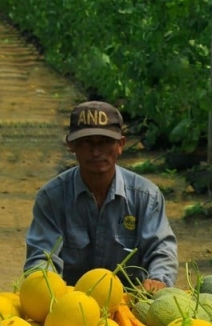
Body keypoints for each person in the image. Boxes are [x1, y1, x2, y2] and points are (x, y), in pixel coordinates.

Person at [23, 101, 178, 291]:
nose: (96, 152)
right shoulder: (51, 198)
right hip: (68, 302)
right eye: (86, 142)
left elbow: (161, 250)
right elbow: (42, 256)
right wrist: (45, 286)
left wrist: (157, 279)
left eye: (104, 142)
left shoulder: (146, 196)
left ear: (120, 144)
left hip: (130, 303)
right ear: (71, 145)